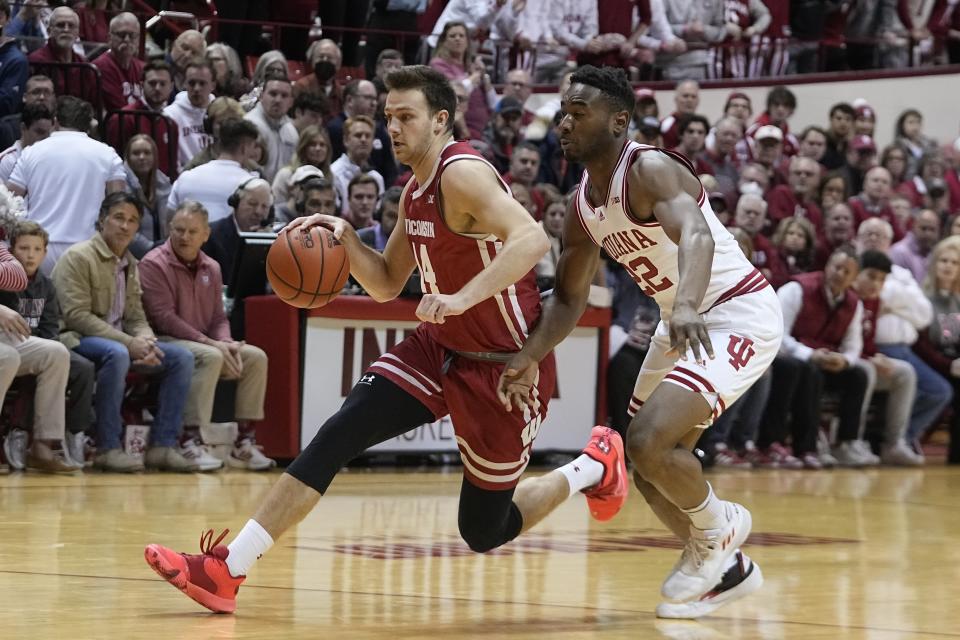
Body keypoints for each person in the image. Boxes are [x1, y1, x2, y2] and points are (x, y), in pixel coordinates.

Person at [144, 64, 628, 614]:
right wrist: (348, 239)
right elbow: (384, 284)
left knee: (484, 529)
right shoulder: (416, 188)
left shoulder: (460, 172)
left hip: (505, 365)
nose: (392, 129)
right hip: (439, 345)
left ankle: (593, 464)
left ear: (442, 120)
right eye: (388, 117)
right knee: (339, 432)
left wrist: (461, 297)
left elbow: (532, 238)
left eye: (406, 117)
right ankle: (228, 568)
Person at [496, 66, 780, 618]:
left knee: (650, 440)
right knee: (643, 457)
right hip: (684, 316)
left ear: (619, 120)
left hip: (735, 310)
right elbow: (569, 299)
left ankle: (716, 534)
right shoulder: (582, 207)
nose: (565, 122)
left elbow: (695, 233)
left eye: (579, 112)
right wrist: (527, 356)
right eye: (563, 112)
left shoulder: (649, 168)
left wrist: (691, 303)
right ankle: (725, 560)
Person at [52, 192, 207, 473]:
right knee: (118, 353)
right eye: (119, 218)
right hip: (75, 340)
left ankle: (162, 445)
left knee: (181, 358)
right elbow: (76, 316)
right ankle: (106, 447)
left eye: (132, 220)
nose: (125, 226)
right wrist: (130, 343)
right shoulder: (78, 257)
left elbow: (135, 315)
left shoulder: (131, 263)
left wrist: (145, 339)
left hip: (122, 342)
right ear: (102, 220)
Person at [139, 201, 274, 471]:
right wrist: (212, 344)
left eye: (192, 231)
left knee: (255, 357)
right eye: (179, 229)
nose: (184, 237)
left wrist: (227, 342)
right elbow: (163, 318)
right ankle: (190, 441)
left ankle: (244, 443)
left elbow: (218, 318)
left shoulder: (211, 267)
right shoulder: (152, 263)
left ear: (205, 235)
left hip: (204, 342)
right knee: (211, 356)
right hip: (164, 341)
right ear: (169, 229)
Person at [7, 96, 126, 273]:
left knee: (37, 302)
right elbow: (118, 206)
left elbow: (8, 202)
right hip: (89, 249)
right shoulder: (108, 155)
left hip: (39, 249)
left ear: (55, 121)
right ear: (89, 124)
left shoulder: (31, 153)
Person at [0, 217, 79, 473]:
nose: (30, 255)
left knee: (56, 352)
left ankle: (44, 445)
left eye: (37, 249)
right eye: (24, 248)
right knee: (8, 357)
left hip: (12, 339)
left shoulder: (44, 283)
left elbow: (49, 329)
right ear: (13, 249)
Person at [167, 118, 259, 222]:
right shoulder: (252, 185)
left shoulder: (185, 177)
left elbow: (169, 222)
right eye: (253, 147)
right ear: (244, 148)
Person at [123, 134, 172, 259]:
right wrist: (151, 248)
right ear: (128, 158)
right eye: (136, 153)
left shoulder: (165, 184)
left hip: (163, 256)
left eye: (147, 152)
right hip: (131, 257)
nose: (142, 157)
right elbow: (124, 228)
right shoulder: (121, 186)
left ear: (154, 156)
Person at [92, 12, 144, 112]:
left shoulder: (142, 68)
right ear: (109, 38)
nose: (127, 40)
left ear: (138, 39)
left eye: (132, 35)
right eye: (122, 35)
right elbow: (118, 109)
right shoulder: (100, 67)